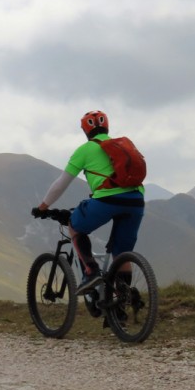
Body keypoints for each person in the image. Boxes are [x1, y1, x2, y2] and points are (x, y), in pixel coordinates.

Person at [31, 110, 145, 307]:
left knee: (75, 225)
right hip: (136, 200)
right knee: (122, 252)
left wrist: (43, 207)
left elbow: (60, 184)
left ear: (85, 131)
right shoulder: (121, 146)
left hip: (107, 200)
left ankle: (91, 272)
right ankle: (122, 301)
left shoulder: (85, 150)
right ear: (106, 127)